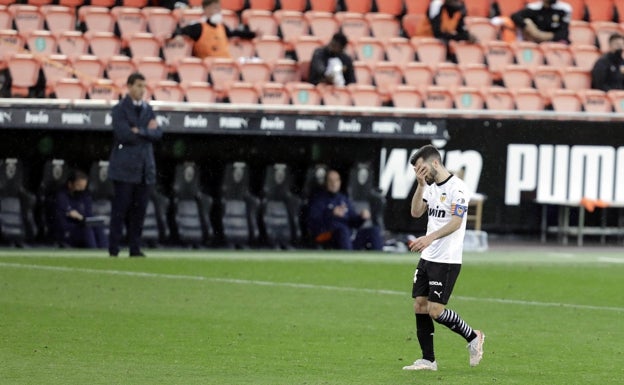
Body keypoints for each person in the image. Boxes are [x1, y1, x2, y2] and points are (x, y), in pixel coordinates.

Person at [402, 145, 484, 372]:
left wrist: (430, 238)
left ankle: (473, 336)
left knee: (435, 311)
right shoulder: (429, 187)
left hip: (447, 259)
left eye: (422, 169)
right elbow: (416, 212)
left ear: (435, 163)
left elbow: (456, 222)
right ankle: (428, 360)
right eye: (417, 171)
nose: (421, 174)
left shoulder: (458, 188)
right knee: (419, 305)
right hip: (428, 257)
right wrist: (419, 186)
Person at [108, 72, 163, 257]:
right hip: (124, 168)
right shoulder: (119, 109)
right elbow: (124, 134)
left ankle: (135, 248)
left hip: (145, 169)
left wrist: (139, 130)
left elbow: (158, 134)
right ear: (129, 86)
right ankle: (114, 248)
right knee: (120, 210)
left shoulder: (149, 109)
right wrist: (147, 132)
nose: (142, 90)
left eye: (143, 86)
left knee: (139, 212)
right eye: (138, 86)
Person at [307, 169, 383, 250]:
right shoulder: (319, 200)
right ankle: (348, 259)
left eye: (336, 180)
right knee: (343, 231)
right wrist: (331, 213)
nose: (334, 183)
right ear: (326, 182)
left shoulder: (343, 199)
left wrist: (361, 217)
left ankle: (380, 260)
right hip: (328, 236)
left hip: (347, 238)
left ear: (340, 182)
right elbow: (313, 223)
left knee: (374, 231)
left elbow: (354, 222)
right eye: (331, 181)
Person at [172, 0, 257, 59]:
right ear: (206, 11)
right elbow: (181, 31)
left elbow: (234, 33)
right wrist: (178, 35)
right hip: (209, 67)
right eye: (214, 9)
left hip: (226, 64)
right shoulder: (198, 27)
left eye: (218, 9)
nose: (217, 12)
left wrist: (252, 34)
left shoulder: (222, 27)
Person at [54, 170, 107, 249]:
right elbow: (66, 217)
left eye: (83, 187)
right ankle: (93, 253)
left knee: (98, 227)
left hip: (82, 225)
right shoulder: (62, 196)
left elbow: (88, 216)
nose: (81, 190)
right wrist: (81, 219)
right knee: (86, 229)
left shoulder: (85, 196)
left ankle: (105, 252)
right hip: (68, 231)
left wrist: (81, 218)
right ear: (70, 184)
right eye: (78, 186)